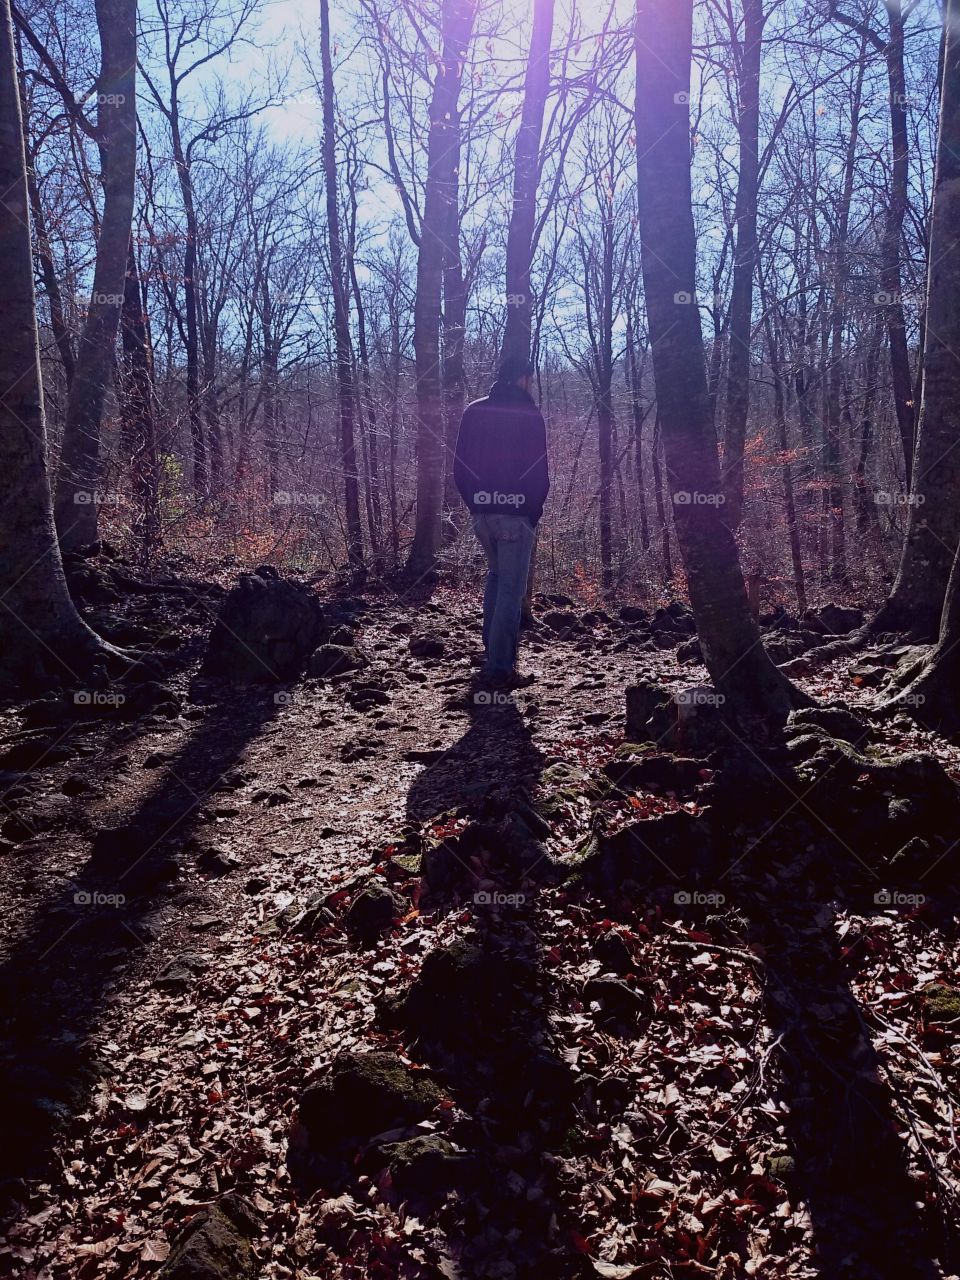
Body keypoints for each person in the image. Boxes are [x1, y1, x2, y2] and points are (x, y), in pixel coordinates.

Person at [453, 354, 550, 689]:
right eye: (530, 378)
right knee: (511, 587)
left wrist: (475, 504)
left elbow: (459, 467)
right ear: (523, 378)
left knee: (496, 578)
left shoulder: (474, 411)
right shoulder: (529, 415)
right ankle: (500, 668)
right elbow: (539, 471)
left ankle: (493, 658)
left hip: (482, 513)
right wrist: (532, 511)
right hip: (515, 515)